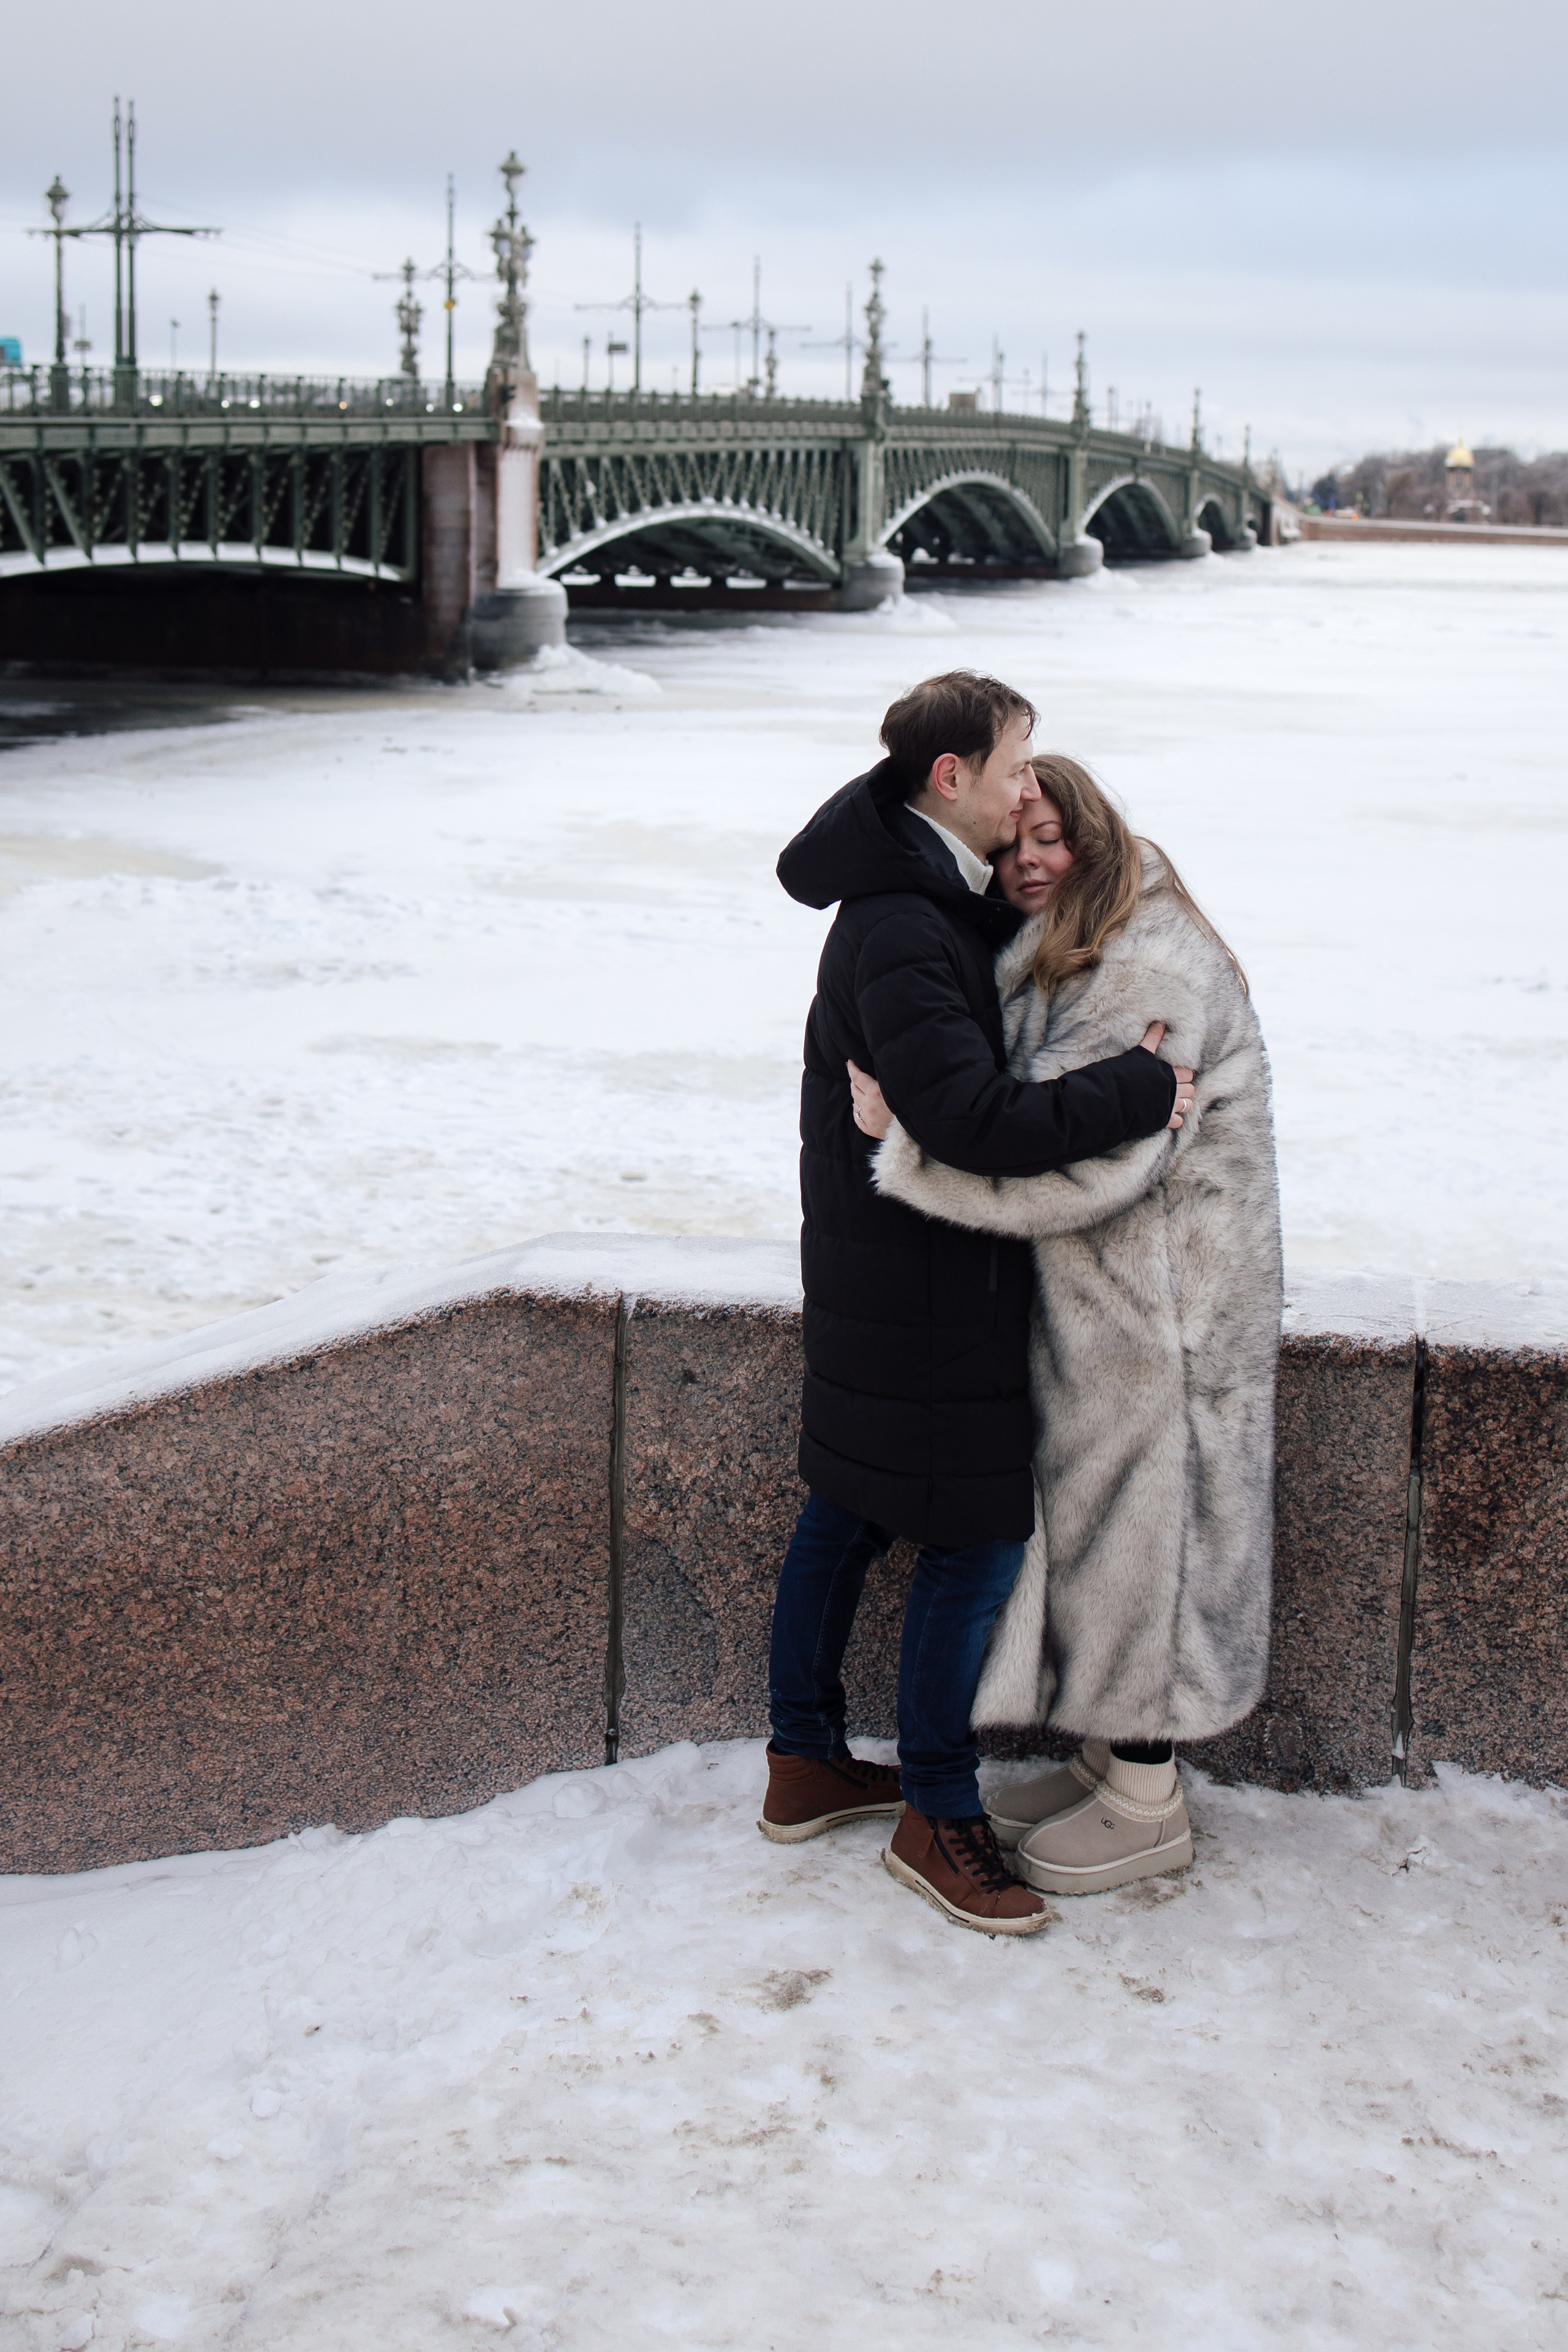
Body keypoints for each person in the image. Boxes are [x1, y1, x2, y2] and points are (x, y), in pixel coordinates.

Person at [760, 676, 1192, 1937]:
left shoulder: (921, 896)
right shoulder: (903, 919)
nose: (1024, 791)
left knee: (843, 1509)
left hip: (885, 1270)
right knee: (976, 1538)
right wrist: (1133, 1088)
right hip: (924, 1284)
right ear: (948, 777)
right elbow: (966, 1119)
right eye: (1014, 767)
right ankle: (934, 1812)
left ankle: (802, 1762)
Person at [855, 754, 1282, 1897]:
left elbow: (1082, 1167)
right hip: (1127, 1302)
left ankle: (1148, 1801)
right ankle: (1108, 1760)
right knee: (1110, 1533)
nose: (1025, 863)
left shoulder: (1144, 962)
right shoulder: (1091, 934)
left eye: (1050, 840)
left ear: (1095, 836)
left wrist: (904, 1146)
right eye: (1008, 845)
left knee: (1152, 1543)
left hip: (1169, 1317)